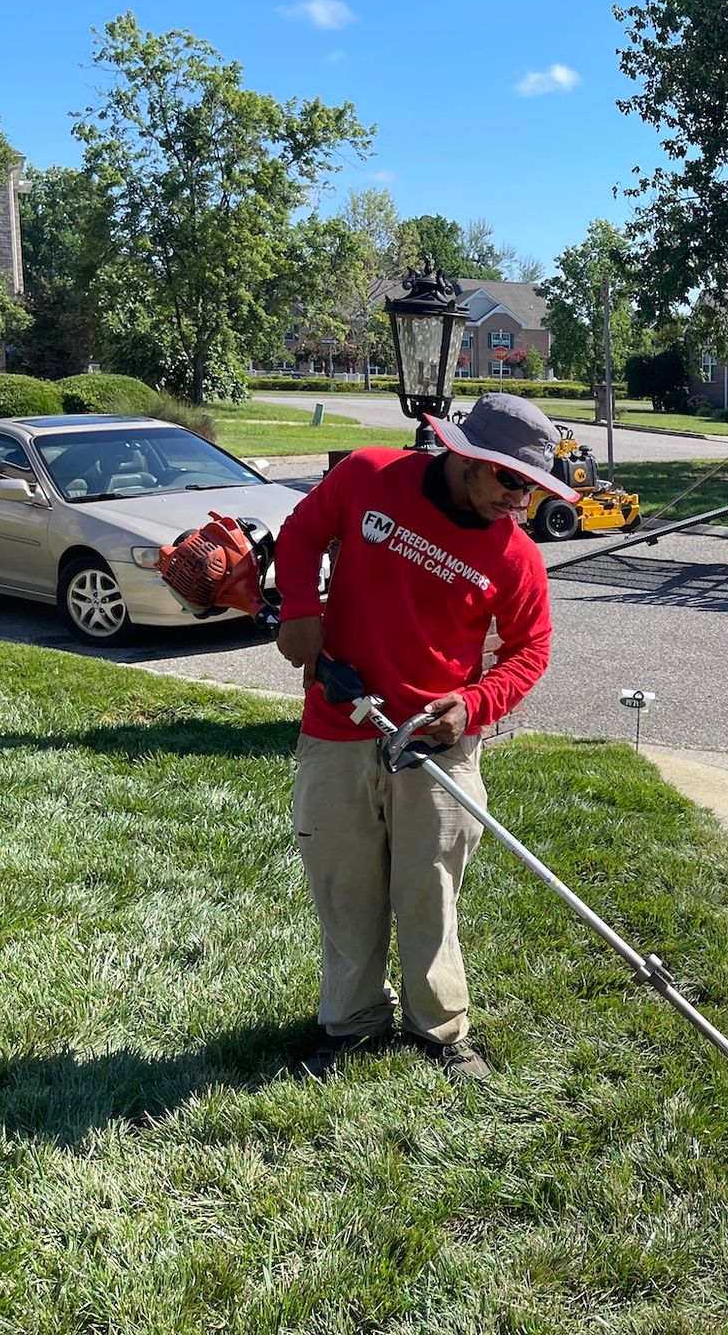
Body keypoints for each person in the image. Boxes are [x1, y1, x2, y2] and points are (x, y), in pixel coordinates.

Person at [270, 394, 579, 1083]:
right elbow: (301, 531)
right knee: (344, 884)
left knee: (429, 889)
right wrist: (301, 612)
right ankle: (349, 1023)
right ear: (466, 457)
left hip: (436, 745)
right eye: (509, 480)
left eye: (532, 486)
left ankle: (439, 1027)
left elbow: (531, 651)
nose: (518, 499)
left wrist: (471, 707)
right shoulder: (369, 476)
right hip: (339, 723)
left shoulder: (517, 557)